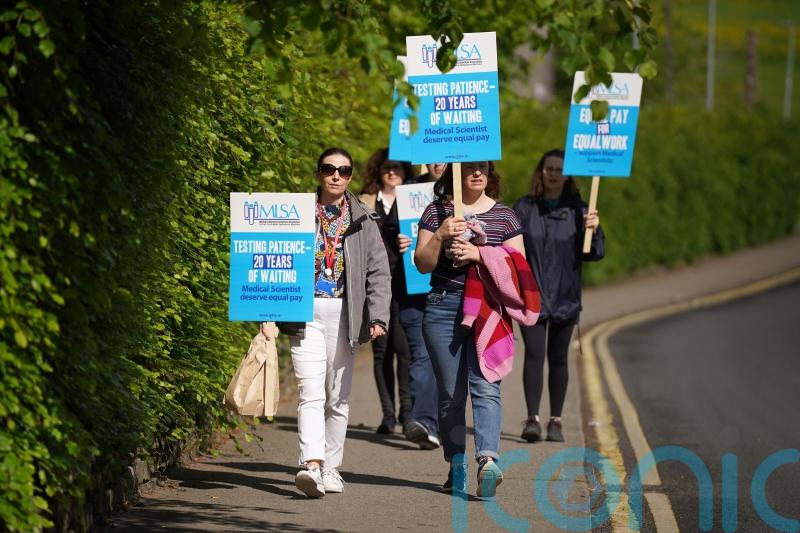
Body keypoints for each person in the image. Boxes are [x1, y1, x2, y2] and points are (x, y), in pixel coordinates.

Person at [262, 147, 390, 498]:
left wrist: (378, 316)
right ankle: (311, 465)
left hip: (346, 315)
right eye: (329, 169)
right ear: (319, 173)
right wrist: (267, 313)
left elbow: (379, 271)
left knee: (337, 397)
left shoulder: (363, 218)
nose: (336, 176)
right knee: (310, 391)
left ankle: (332, 467)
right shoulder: (294, 214)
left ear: (351, 176)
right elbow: (274, 261)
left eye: (344, 171)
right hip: (305, 314)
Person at [414, 161, 525, 497]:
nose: (477, 173)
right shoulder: (437, 211)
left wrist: (480, 253)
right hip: (442, 307)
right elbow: (422, 264)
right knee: (450, 395)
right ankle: (457, 462)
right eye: (470, 168)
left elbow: (519, 267)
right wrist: (440, 235)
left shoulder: (505, 216)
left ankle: (488, 461)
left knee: (486, 385)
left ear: (490, 174)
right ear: (456, 173)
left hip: (488, 310)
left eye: (483, 168)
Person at [512, 148, 604, 443]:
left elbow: (593, 254)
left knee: (559, 358)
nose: (553, 173)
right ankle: (532, 420)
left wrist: (595, 230)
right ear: (541, 171)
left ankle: (556, 421)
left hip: (565, 298)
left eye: (559, 169)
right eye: (549, 168)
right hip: (532, 297)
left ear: (567, 175)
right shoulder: (525, 208)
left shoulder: (579, 210)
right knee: (534, 356)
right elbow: (510, 249)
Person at [359, 148, 414, 434]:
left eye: (397, 168)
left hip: (407, 286)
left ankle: (407, 413)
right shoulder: (365, 202)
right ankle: (388, 415)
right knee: (381, 351)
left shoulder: (418, 201)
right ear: (378, 172)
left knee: (404, 350)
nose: (392, 173)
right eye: (386, 168)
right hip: (376, 287)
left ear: (406, 172)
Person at [396, 162, 448, 450]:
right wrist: (399, 241)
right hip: (414, 292)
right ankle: (423, 420)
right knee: (421, 357)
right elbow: (386, 234)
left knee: (444, 362)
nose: (439, 163)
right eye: (433, 158)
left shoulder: (463, 193)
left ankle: (435, 422)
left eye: (445, 158)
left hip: (450, 292)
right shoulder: (408, 191)